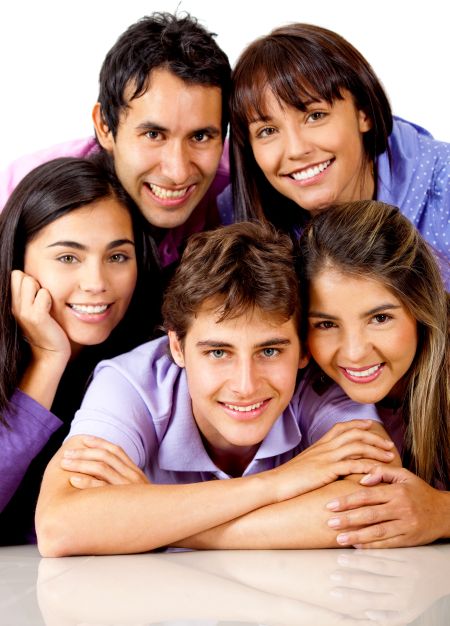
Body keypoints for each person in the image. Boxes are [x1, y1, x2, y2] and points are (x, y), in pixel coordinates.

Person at [35, 221, 399, 556]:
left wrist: (150, 517)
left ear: (304, 349)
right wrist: (276, 484)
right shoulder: (129, 383)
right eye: (218, 352)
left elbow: (376, 503)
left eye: (269, 350)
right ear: (177, 347)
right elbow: (59, 526)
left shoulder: (323, 385)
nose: (246, 385)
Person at [0, 156, 159, 544]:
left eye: (117, 256)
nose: (97, 282)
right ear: (19, 260)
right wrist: (48, 360)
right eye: (68, 257)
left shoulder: (147, 362)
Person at [0, 12, 232, 269]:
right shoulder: (21, 192)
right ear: (104, 126)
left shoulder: (237, 182)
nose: (178, 172)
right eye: (153, 135)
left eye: (200, 136)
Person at [225, 22, 449, 278]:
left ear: (363, 113)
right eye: (267, 131)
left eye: (315, 115)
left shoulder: (444, 187)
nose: (296, 150)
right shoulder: (228, 215)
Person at [297, 199, 450, 547]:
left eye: (380, 318)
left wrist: (442, 512)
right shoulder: (305, 388)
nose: (354, 353)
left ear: (420, 305)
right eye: (326, 324)